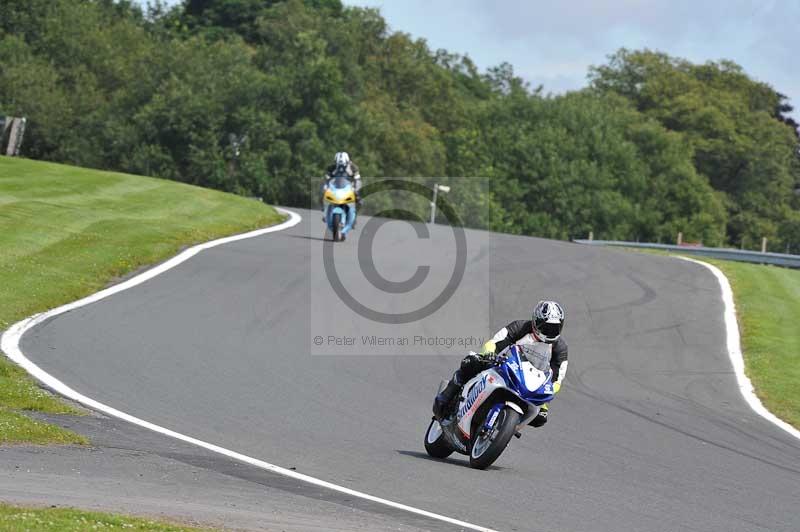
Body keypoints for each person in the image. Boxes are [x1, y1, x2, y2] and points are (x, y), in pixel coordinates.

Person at [432, 300, 568, 427]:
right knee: (471, 363)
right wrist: (488, 354)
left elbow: (557, 379)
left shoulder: (560, 348)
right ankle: (445, 398)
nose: (550, 332)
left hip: (531, 383)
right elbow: (494, 342)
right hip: (504, 366)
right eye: (546, 327)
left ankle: (505, 427)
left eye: (554, 328)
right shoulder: (520, 327)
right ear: (535, 321)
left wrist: (546, 391)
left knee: (540, 417)